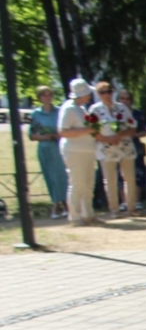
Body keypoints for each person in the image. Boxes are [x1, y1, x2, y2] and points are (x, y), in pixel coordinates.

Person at [56, 79, 102, 226]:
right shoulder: (69, 108)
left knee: (88, 184)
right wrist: (87, 130)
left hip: (87, 150)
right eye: (87, 93)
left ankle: (88, 214)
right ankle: (74, 216)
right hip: (74, 151)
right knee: (77, 183)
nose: (89, 96)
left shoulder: (80, 108)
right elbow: (63, 131)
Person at [90, 82, 138, 214]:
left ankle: (131, 207)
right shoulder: (95, 110)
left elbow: (133, 126)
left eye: (109, 91)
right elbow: (93, 131)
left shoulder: (122, 107)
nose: (107, 95)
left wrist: (122, 134)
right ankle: (114, 209)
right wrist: (109, 139)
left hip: (125, 146)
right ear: (98, 94)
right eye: (103, 92)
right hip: (107, 148)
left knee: (129, 178)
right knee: (110, 180)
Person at [29, 85, 68, 218]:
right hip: (45, 148)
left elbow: (65, 128)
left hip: (57, 147)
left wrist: (59, 135)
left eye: (49, 95)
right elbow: (32, 135)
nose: (47, 98)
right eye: (44, 95)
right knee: (50, 176)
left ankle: (60, 205)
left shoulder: (59, 111)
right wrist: (45, 137)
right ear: (40, 98)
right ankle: (58, 203)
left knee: (60, 175)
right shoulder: (36, 113)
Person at [119, 88, 146, 210]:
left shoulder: (137, 113)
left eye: (127, 99)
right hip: (119, 145)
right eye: (122, 98)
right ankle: (124, 201)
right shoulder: (115, 113)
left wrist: (134, 135)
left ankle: (136, 200)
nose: (125, 101)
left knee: (138, 172)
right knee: (120, 173)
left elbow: (143, 131)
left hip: (134, 145)